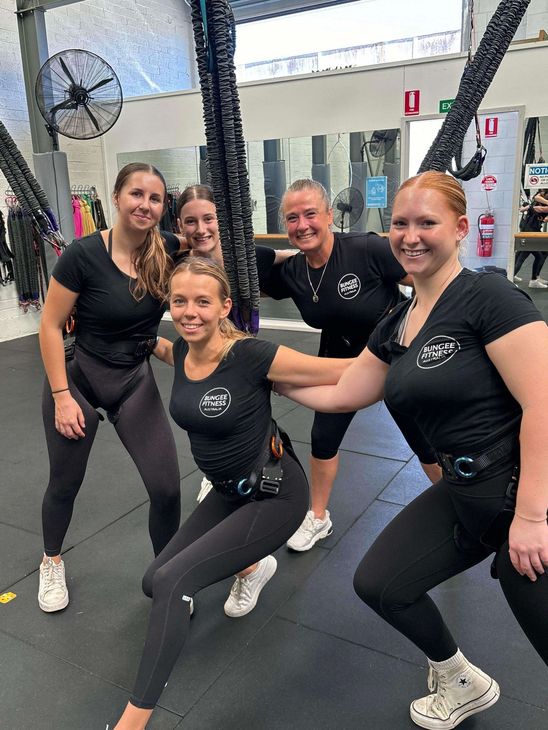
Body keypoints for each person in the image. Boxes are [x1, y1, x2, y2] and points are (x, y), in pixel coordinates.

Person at [278, 171, 548, 729]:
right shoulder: (398, 322)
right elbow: (343, 392)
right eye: (401, 223)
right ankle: (460, 680)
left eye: (427, 223)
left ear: (461, 228)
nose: (411, 235)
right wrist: (258, 374)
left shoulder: (487, 297)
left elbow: (544, 404)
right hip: (464, 492)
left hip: (522, 497)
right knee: (381, 583)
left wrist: (530, 516)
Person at [111, 257, 352, 730]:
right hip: (225, 494)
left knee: (174, 581)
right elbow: (158, 348)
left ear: (225, 306)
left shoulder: (251, 356)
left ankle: (131, 723)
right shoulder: (180, 351)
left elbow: (335, 370)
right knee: (152, 581)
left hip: (274, 495)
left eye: (203, 302)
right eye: (179, 301)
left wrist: (401, 356)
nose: (189, 311)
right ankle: (252, 563)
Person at [260, 178, 440, 552]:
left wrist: (415, 334)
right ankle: (319, 517)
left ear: (329, 215)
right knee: (324, 438)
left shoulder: (365, 248)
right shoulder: (294, 271)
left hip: (392, 354)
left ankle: (459, 507)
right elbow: (248, 272)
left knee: (424, 442)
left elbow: (427, 277)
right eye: (292, 218)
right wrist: (275, 255)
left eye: (311, 214)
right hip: (339, 355)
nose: (302, 224)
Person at [38, 163, 181, 613]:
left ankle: (168, 573)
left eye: (155, 198)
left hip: (133, 380)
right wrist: (62, 397)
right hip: (79, 378)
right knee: (65, 483)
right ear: (117, 197)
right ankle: (51, 560)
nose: (146, 204)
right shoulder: (82, 254)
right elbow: (49, 324)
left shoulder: (168, 249)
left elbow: (221, 256)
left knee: (167, 489)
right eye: (137, 194)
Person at [175, 183, 301, 617]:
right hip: (206, 370)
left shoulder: (248, 260)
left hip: (246, 368)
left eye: (209, 218)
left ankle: (254, 562)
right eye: (191, 220)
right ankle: (249, 566)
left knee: (253, 470)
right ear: (180, 226)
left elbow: (289, 262)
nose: (201, 227)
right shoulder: (177, 262)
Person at [514, 189, 548, 289]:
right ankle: (511, 277)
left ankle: (534, 278)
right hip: (530, 231)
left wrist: (526, 208)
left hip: (532, 230)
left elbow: (543, 216)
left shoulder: (537, 202)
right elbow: (537, 207)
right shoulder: (537, 200)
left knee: (540, 254)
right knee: (524, 255)